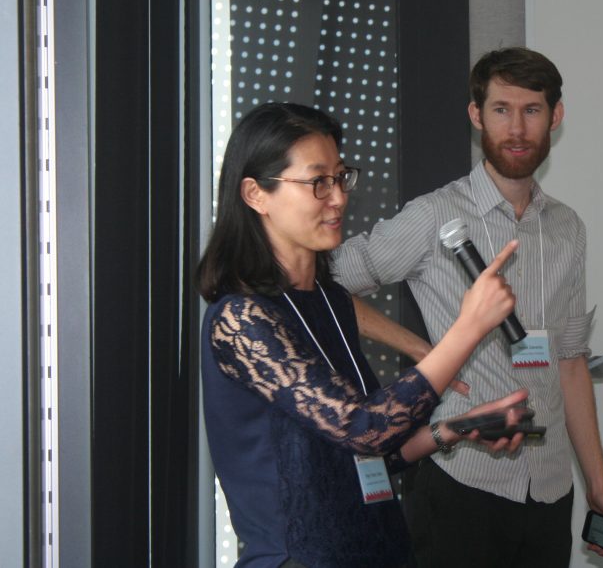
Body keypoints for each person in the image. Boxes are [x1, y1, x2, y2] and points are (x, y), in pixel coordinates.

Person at [335, 47, 603, 567]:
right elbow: (327, 284)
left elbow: (569, 364)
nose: (517, 128)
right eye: (501, 110)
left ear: (555, 116)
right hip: (460, 482)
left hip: (547, 490)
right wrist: (414, 345)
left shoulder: (568, 229)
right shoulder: (433, 216)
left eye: (532, 110)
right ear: (477, 116)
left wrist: (598, 485)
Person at [196, 101, 530, 568]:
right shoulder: (241, 321)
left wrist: (456, 429)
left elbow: (374, 455)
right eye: (318, 182)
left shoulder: (329, 303)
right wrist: (469, 327)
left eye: (339, 177)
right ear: (256, 194)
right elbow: (363, 431)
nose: (337, 198)